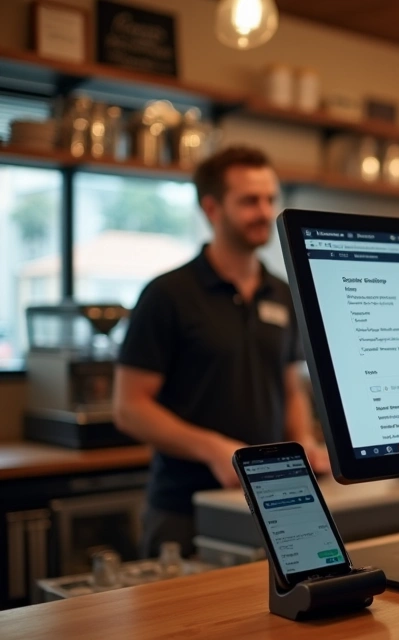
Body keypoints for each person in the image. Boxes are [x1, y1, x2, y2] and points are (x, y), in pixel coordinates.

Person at [114, 145, 329, 559]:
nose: (265, 212)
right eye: (250, 201)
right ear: (211, 208)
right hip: (185, 509)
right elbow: (129, 408)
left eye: (270, 199)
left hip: (273, 504)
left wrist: (303, 442)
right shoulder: (168, 295)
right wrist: (214, 450)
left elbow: (288, 387)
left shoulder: (282, 293)